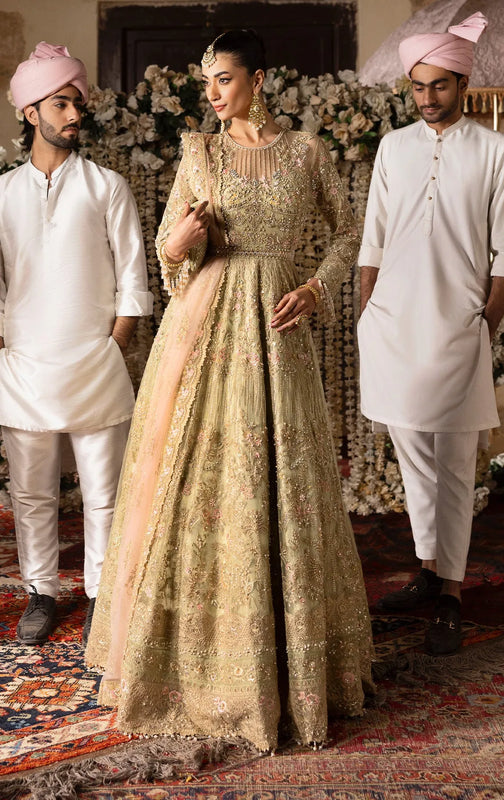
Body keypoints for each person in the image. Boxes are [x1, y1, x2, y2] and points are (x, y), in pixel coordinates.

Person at [86, 29, 374, 752]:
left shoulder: (306, 151)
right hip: (206, 328)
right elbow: (166, 250)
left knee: (283, 482)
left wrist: (315, 287)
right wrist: (177, 246)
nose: (210, 94)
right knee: (199, 483)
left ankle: (290, 670)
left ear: (258, 79)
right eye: (204, 81)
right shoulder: (199, 153)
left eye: (222, 79)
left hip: (278, 331)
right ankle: (191, 668)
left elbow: (349, 233)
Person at [357, 12, 504, 655]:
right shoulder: (393, 147)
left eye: (440, 85)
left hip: (457, 327)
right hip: (392, 326)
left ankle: (450, 591)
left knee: (454, 464)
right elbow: (373, 238)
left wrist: (479, 324)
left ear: (464, 80)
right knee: (413, 458)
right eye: (418, 86)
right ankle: (427, 571)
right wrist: (369, 312)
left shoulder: (494, 151)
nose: (428, 98)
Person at [0, 42, 153, 647]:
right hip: (24, 366)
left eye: (76, 103)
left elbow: (133, 277)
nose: (73, 114)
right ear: (31, 112)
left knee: (104, 494)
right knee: (32, 494)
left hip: (95, 362)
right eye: (60, 103)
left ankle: (99, 594)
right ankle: (42, 591)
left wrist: (114, 344)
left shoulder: (106, 186)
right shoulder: (3, 192)